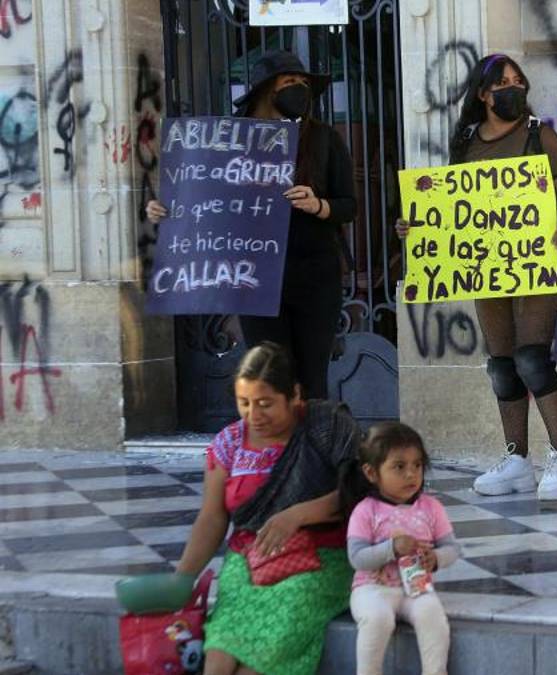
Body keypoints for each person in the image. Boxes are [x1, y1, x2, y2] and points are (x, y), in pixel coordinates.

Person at [396, 54, 557, 500]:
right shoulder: (465, 142)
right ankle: (517, 459)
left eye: (518, 81)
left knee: (531, 359)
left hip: (536, 261)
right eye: (503, 82)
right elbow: (450, 206)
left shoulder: (541, 135)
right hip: (486, 266)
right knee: (501, 364)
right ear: (483, 94)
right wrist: (414, 224)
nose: (513, 88)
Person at [146, 50, 356, 400]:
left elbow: (348, 205)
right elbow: (203, 198)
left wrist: (318, 205)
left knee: (312, 379)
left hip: (314, 275)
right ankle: (275, 452)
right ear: (265, 91)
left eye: (304, 84)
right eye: (290, 82)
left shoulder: (324, 139)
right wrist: (166, 211)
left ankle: (311, 450)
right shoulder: (226, 142)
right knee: (271, 375)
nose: (300, 90)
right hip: (252, 277)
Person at [176, 342, 364, 675]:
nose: (254, 416)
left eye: (265, 404)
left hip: (319, 561)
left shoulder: (327, 426)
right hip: (249, 560)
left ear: (294, 395)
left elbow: (360, 492)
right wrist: (182, 580)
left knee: (268, 650)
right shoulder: (229, 442)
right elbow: (212, 516)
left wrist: (298, 514)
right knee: (220, 652)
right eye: (244, 403)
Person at [342, 423, 459, 675]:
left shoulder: (431, 508)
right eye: (399, 466)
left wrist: (436, 558)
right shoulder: (366, 511)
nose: (411, 474)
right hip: (372, 589)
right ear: (372, 473)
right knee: (377, 618)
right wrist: (391, 549)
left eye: (417, 465)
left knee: (432, 615)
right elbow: (357, 558)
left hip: (416, 588)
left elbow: (452, 548)